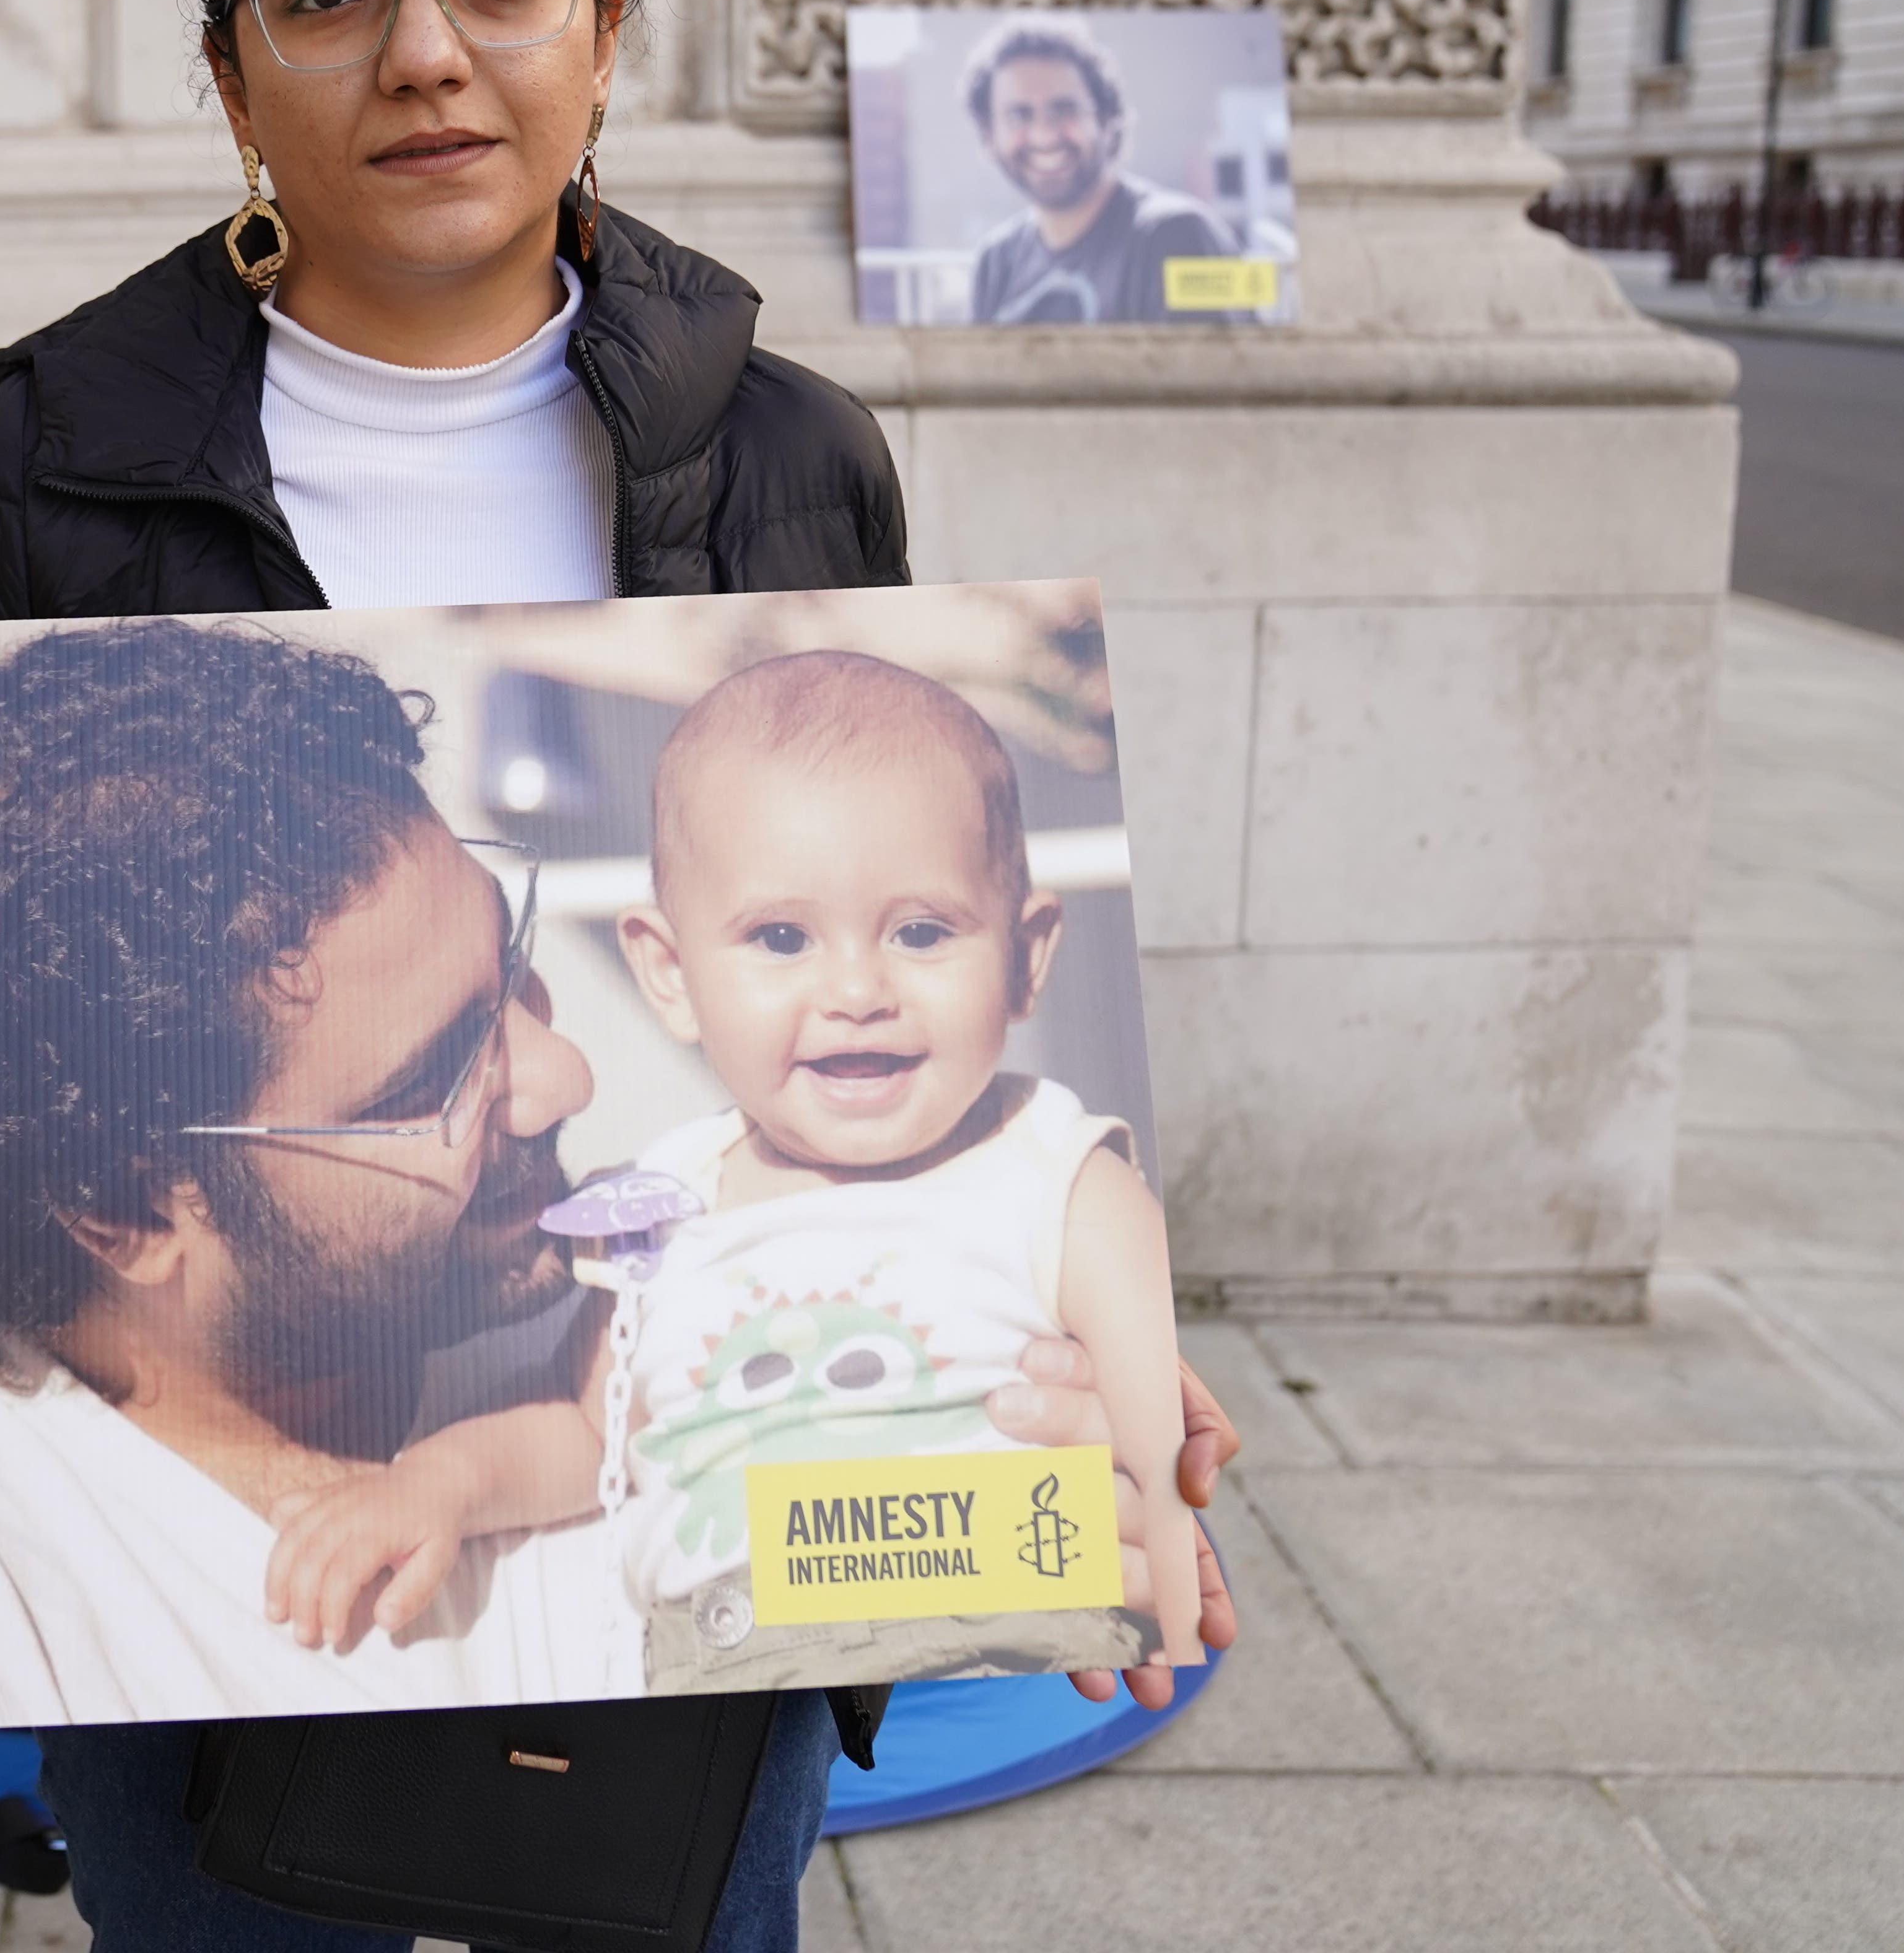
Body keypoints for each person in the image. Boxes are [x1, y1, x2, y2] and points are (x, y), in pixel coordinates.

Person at [0, 0, 1240, 1952]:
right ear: (229, 73)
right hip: (202, 1697)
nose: (424, 51)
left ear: (604, 18)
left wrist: (1084, 1362)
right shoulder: (50, 473)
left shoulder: (795, 453)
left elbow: (907, 993)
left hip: (677, 1609)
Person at [0, 622, 638, 1728]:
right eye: (431, 1081)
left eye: (514, 969)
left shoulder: (667, 1310)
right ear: (128, 1208)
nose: (564, 1079)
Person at [259, 652, 1205, 1706]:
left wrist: (1172, 1582)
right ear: (671, 974)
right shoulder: (668, 1204)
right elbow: (590, 1437)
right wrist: (435, 1486)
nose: (856, 990)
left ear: (1027, 957)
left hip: (999, 1641)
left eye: (923, 931)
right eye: (782, 938)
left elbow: (1153, 1416)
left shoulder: (1054, 1171)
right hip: (729, 1665)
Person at [959, 17, 1242, 325]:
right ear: (990, 135)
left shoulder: (1185, 235)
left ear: (1107, 119)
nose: (1044, 135)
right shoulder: (994, 262)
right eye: (1019, 115)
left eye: (1064, 109)